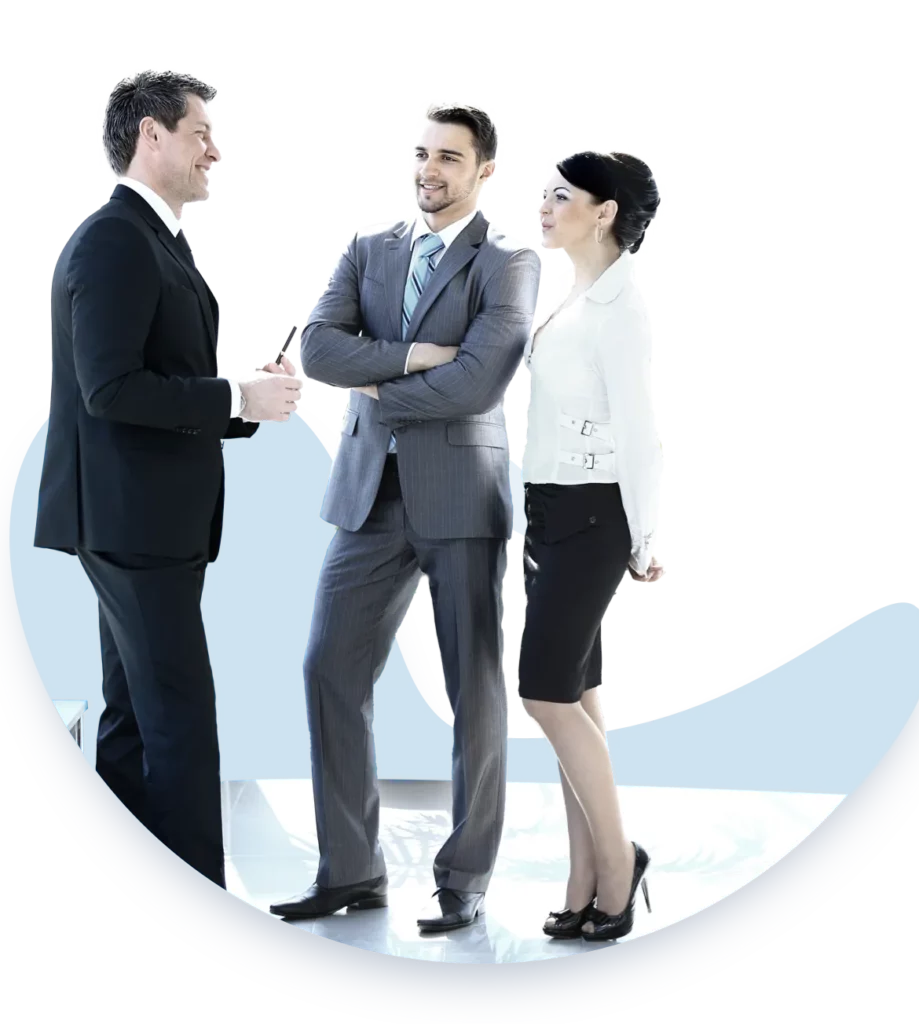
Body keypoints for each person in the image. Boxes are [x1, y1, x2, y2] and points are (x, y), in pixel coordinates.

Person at [267, 101, 541, 931]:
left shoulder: (507, 262)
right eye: (423, 153)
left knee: (474, 688)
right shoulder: (367, 247)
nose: (431, 170)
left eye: (450, 158)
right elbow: (316, 349)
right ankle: (351, 870)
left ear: (485, 168)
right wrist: (413, 358)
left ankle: (465, 877)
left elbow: (480, 383)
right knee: (327, 669)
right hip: (366, 496)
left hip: (461, 496)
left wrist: (375, 381)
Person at [34, 69, 302, 888]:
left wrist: (239, 399)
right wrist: (233, 395)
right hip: (131, 523)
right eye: (200, 133)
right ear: (150, 136)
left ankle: (135, 878)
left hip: (143, 520)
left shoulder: (152, 238)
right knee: (180, 723)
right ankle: (199, 910)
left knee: (131, 722)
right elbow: (108, 388)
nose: (212, 150)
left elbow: (153, 373)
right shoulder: (117, 238)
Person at [519, 150, 663, 941]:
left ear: (604, 212)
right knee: (577, 701)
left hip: (595, 519)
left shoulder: (621, 309)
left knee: (544, 696)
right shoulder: (566, 297)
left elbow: (640, 436)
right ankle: (582, 879)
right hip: (550, 514)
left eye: (561, 197)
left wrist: (646, 540)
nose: (544, 207)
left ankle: (618, 862)